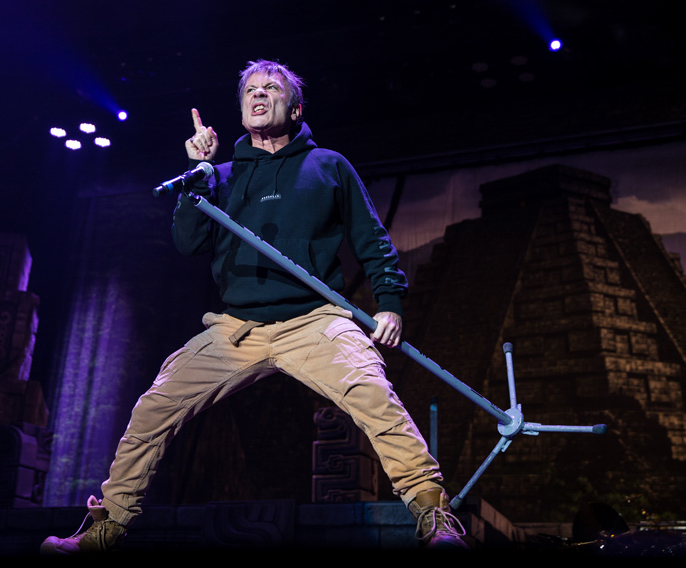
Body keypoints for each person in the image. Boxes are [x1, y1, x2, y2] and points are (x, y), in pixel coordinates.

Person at [41, 60, 466, 552]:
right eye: (250, 89)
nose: (259, 94)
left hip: (315, 322)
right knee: (155, 407)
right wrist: (199, 174)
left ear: (297, 106)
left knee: (376, 400)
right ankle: (105, 528)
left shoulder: (328, 165)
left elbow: (371, 240)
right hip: (236, 329)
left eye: (272, 87)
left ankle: (434, 517)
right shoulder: (219, 176)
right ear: (242, 108)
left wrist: (389, 303)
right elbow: (187, 242)